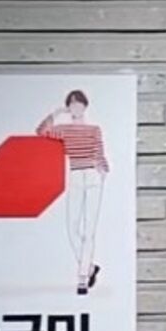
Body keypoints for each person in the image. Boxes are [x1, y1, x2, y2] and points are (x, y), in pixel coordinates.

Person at [36, 89, 108, 295]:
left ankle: (82, 278)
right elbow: (41, 131)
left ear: (85, 106)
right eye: (72, 105)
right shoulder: (64, 130)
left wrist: (103, 170)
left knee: (89, 230)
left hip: (93, 175)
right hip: (76, 175)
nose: (76, 108)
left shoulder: (94, 129)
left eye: (79, 104)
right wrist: (56, 113)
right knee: (72, 226)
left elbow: (99, 152)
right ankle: (90, 268)